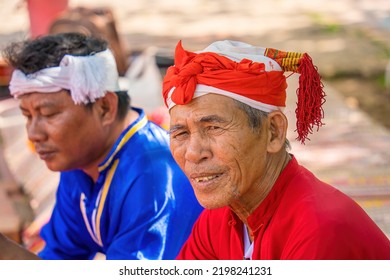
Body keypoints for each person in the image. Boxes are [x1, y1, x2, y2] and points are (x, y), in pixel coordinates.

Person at [162, 40, 390, 260]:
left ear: (273, 131)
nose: (193, 153)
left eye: (213, 127)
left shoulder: (319, 229)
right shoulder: (218, 219)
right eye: (181, 133)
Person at [0, 32, 203, 260]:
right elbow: (59, 261)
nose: (33, 133)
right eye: (27, 116)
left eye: (48, 114)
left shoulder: (156, 179)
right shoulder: (79, 163)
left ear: (104, 107)